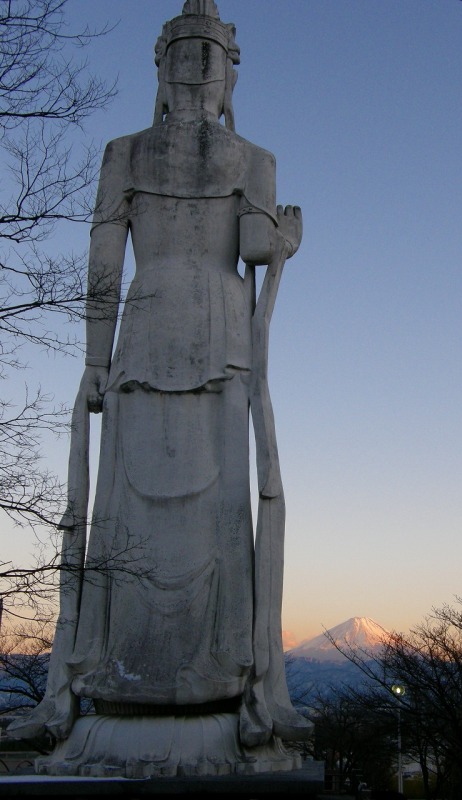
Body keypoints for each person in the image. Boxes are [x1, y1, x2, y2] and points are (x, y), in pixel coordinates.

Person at [10, 0, 310, 762]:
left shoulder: (231, 158)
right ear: (171, 65)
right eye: (192, 53)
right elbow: (116, 264)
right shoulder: (166, 155)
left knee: (201, 509)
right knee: (140, 509)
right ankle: (119, 674)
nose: (199, 67)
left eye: (207, 53)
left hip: (190, 326)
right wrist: (91, 357)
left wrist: (275, 243)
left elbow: (221, 250)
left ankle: (215, 675)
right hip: (168, 327)